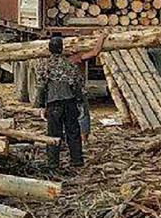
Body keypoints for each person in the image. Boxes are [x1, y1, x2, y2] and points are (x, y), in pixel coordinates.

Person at [35, 32, 107, 168]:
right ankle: (77, 161)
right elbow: (77, 85)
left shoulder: (45, 66)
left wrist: (41, 106)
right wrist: (79, 102)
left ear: (50, 49)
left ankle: (53, 163)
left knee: (53, 134)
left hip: (53, 104)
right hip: (69, 103)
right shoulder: (70, 64)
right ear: (62, 49)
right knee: (73, 133)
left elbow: (41, 87)